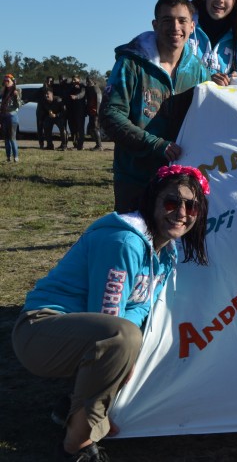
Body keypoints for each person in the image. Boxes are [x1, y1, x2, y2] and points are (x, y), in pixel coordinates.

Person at [12, 165, 210, 461]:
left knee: (142, 339)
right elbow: (108, 318)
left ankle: (72, 409)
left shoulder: (165, 252)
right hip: (39, 331)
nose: (181, 212)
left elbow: (141, 309)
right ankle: (76, 447)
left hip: (78, 336)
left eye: (191, 205)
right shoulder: (125, 241)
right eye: (171, 202)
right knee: (124, 338)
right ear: (152, 201)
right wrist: (123, 360)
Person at [101, 0, 212, 213]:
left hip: (180, 180)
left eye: (182, 21)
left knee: (173, 245)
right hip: (135, 177)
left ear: (192, 27)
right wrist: (155, 144)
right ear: (154, 24)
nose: (175, 27)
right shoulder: (131, 64)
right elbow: (110, 114)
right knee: (135, 238)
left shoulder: (199, 72)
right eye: (167, 20)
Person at [1, 73, 22, 162]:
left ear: (12, 82)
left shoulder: (17, 90)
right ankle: (8, 157)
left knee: (12, 138)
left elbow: (19, 105)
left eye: (7, 80)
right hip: (4, 116)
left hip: (12, 116)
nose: (5, 82)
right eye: (5, 80)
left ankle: (16, 157)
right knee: (6, 139)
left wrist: (16, 96)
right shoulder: (3, 91)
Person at [68, 76, 87, 150]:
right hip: (72, 110)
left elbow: (82, 94)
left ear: (79, 79)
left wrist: (76, 97)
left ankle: (80, 145)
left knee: (80, 128)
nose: (73, 81)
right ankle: (75, 143)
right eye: (73, 80)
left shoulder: (82, 86)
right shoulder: (72, 87)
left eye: (75, 80)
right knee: (73, 128)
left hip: (80, 111)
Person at [84, 77, 103, 151]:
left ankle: (99, 146)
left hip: (95, 111)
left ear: (93, 81)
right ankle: (98, 145)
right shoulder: (89, 88)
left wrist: (97, 110)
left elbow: (99, 99)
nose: (87, 83)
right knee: (92, 128)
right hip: (92, 111)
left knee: (95, 128)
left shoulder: (95, 88)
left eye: (89, 81)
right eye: (87, 81)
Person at [36, 76, 54, 149]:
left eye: (51, 81)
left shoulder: (53, 89)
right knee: (40, 128)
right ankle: (41, 144)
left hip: (49, 111)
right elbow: (34, 97)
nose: (49, 83)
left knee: (48, 129)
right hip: (40, 111)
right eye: (48, 81)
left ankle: (49, 144)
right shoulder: (40, 90)